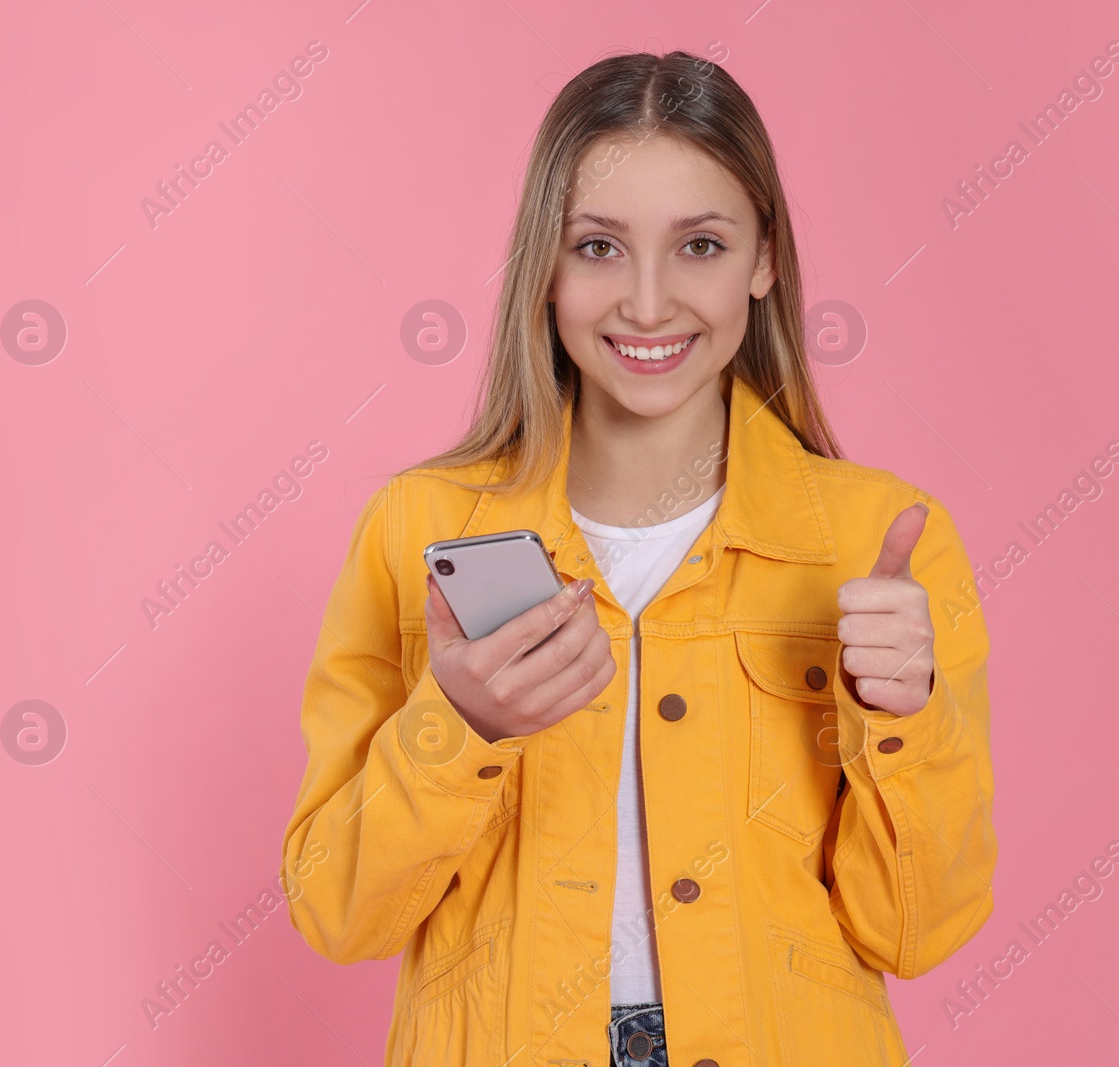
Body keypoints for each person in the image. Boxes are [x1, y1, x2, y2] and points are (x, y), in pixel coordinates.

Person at [281, 49, 996, 1067]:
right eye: (599, 248)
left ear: (764, 260)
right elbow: (339, 910)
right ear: (545, 264)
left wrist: (901, 722)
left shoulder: (880, 539)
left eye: (700, 244)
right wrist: (463, 725)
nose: (649, 302)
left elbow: (919, 930)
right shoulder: (418, 528)